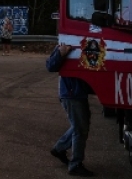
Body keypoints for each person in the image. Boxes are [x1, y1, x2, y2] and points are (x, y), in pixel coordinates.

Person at [46, 43, 95, 177]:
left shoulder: (85, 42)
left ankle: (59, 148)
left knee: (80, 126)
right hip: (71, 94)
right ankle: (75, 164)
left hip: (77, 93)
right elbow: (50, 65)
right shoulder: (66, 42)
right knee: (80, 128)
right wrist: (61, 53)